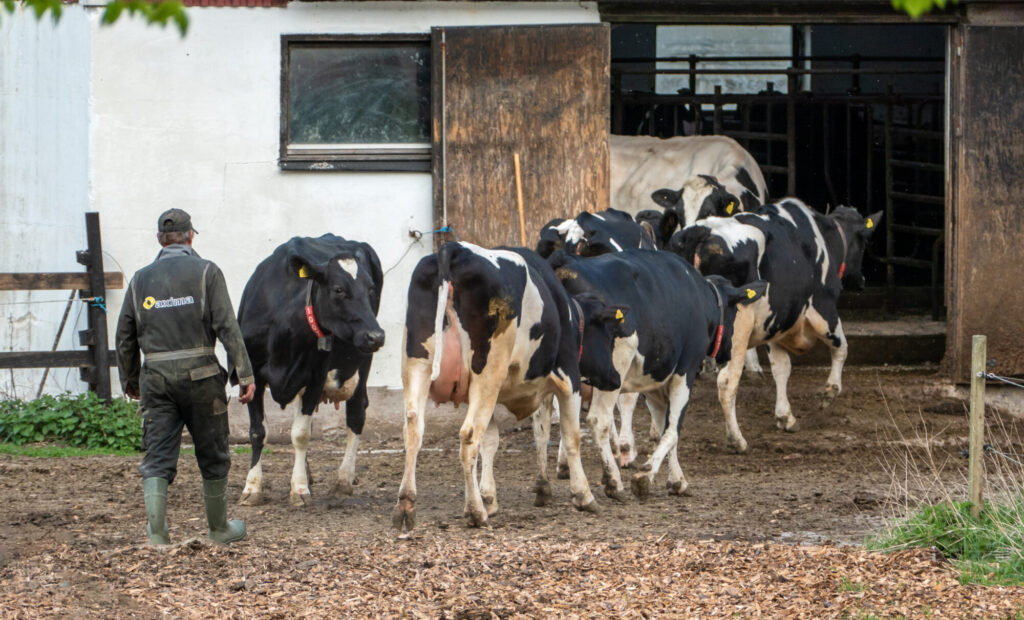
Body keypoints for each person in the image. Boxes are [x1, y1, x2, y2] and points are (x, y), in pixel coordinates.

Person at [116, 208, 257, 546]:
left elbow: (124, 336)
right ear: (191, 236)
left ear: (160, 240)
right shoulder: (208, 272)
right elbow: (228, 327)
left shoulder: (138, 280)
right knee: (213, 452)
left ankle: (158, 535)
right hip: (203, 379)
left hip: (157, 379)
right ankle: (219, 529)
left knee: (157, 456)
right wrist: (245, 374)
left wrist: (132, 379)